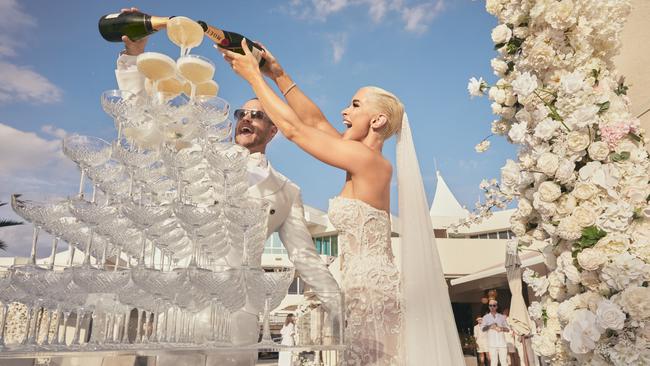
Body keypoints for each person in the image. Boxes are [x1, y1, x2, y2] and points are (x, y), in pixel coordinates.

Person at [112, 8, 341, 366]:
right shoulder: (199, 152)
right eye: (241, 114)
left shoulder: (286, 191)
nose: (246, 118)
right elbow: (143, 127)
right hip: (183, 307)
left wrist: (343, 308)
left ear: (273, 129)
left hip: (239, 315)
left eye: (258, 114)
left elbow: (305, 259)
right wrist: (132, 59)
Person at [219, 38, 465, 365]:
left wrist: (253, 77)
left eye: (355, 105)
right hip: (362, 286)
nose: (344, 112)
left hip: (372, 291)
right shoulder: (359, 157)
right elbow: (315, 123)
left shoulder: (368, 161)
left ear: (377, 121)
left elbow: (294, 130)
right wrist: (279, 74)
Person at [482, 299, 510, 366]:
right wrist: (490, 326)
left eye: (494, 305)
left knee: (504, 363)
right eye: (490, 305)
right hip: (492, 344)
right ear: (489, 307)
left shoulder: (502, 317)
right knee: (494, 363)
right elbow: (483, 329)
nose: (492, 307)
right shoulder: (485, 317)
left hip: (502, 343)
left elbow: (508, 329)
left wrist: (501, 328)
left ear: (496, 307)